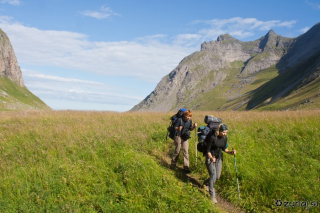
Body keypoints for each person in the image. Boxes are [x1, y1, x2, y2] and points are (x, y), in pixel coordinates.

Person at [204, 123, 236, 204]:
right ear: (219, 131)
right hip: (210, 158)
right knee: (213, 176)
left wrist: (231, 152)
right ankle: (212, 196)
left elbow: (224, 149)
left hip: (218, 158)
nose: (225, 134)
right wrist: (211, 158)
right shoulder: (213, 137)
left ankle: (206, 183)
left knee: (217, 176)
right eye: (224, 132)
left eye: (226, 132)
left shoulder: (225, 138)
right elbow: (207, 150)